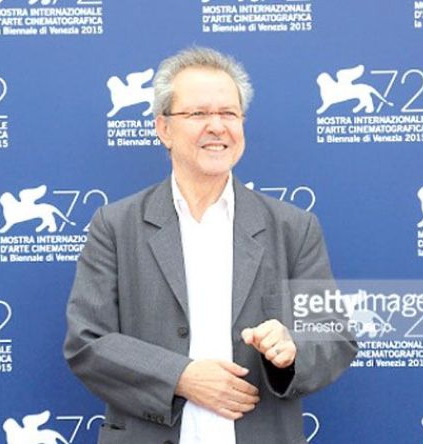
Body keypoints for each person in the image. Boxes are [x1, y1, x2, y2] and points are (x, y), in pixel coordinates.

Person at [64, 46, 356, 444]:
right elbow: (87, 342)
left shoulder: (294, 228)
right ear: (164, 128)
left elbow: (332, 338)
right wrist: (181, 377)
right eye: (198, 113)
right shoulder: (115, 226)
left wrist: (291, 350)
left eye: (229, 114)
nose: (217, 126)